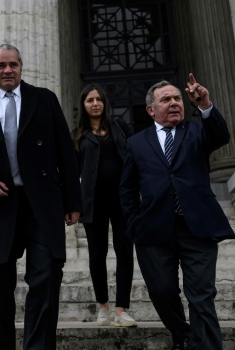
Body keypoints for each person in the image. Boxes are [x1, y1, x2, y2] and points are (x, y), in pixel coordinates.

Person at [0, 43, 82, 350]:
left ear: (21, 67)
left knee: (46, 276)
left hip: (41, 205)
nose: (8, 70)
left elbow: (65, 150)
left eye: (13, 65)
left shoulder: (44, 100)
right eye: (1, 66)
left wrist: (73, 201)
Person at [119, 74, 235, 350]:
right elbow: (126, 189)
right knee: (161, 291)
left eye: (177, 98)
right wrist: (134, 222)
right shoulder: (136, 143)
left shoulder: (197, 131)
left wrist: (205, 106)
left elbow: (221, 135)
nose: (174, 103)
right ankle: (182, 334)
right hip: (153, 231)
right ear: (151, 110)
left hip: (197, 227)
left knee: (201, 295)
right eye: (166, 99)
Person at [72, 84, 137, 327]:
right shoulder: (78, 135)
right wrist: (71, 204)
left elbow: (135, 157)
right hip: (93, 201)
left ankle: (122, 310)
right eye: (90, 100)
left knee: (124, 250)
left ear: (105, 103)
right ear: (84, 105)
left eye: (99, 99)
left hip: (122, 199)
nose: (95, 103)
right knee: (97, 254)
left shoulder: (120, 127)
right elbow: (72, 173)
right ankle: (103, 307)